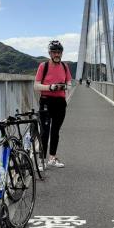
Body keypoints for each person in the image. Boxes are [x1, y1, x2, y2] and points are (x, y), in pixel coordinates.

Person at [33, 40, 72, 168]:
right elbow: (36, 85)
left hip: (60, 103)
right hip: (46, 101)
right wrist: (50, 87)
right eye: (54, 52)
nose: (57, 54)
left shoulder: (65, 67)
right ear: (50, 53)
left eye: (59, 52)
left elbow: (70, 84)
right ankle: (41, 161)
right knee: (45, 131)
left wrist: (63, 86)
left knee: (55, 131)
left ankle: (52, 158)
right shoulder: (43, 66)